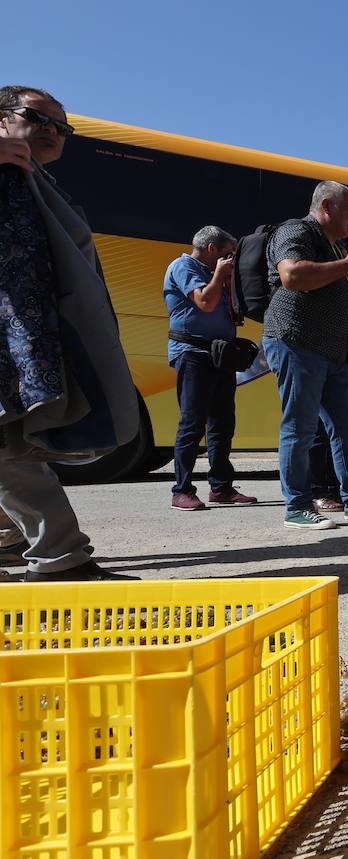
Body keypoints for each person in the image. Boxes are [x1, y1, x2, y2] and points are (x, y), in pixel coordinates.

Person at [0, 85, 138, 582]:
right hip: (10, 334)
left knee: (14, 436)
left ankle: (11, 544)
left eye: (63, 127)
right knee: (10, 446)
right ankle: (61, 560)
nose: (55, 132)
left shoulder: (35, 180)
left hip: (33, 333)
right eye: (39, 119)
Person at [261, 181, 348, 530]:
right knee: (300, 427)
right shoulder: (296, 230)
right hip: (296, 341)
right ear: (326, 206)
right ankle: (296, 505)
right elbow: (291, 275)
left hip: (333, 351)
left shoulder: (336, 248)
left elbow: (332, 296)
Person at [163, 225, 257, 511]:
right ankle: (181, 490)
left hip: (220, 354)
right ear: (212, 249)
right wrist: (220, 274)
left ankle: (221, 487)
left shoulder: (214, 273)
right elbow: (204, 302)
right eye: (227, 254)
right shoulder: (183, 266)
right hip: (192, 353)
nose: (230, 260)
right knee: (192, 424)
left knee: (222, 424)